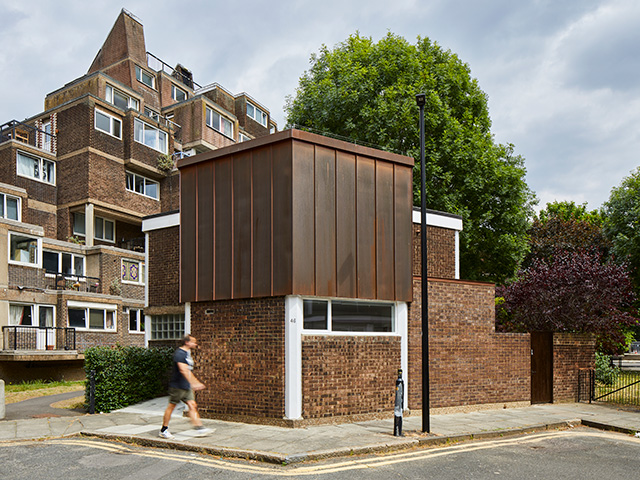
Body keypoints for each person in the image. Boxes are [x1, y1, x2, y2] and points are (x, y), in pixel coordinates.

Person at [160, 334, 212, 438]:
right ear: (187, 342)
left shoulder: (186, 353)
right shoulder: (180, 353)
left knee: (192, 405)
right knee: (171, 406)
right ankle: (164, 430)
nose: (195, 344)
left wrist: (192, 383)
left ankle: (199, 428)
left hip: (186, 386)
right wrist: (194, 383)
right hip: (177, 386)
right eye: (193, 342)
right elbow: (183, 370)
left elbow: (188, 370)